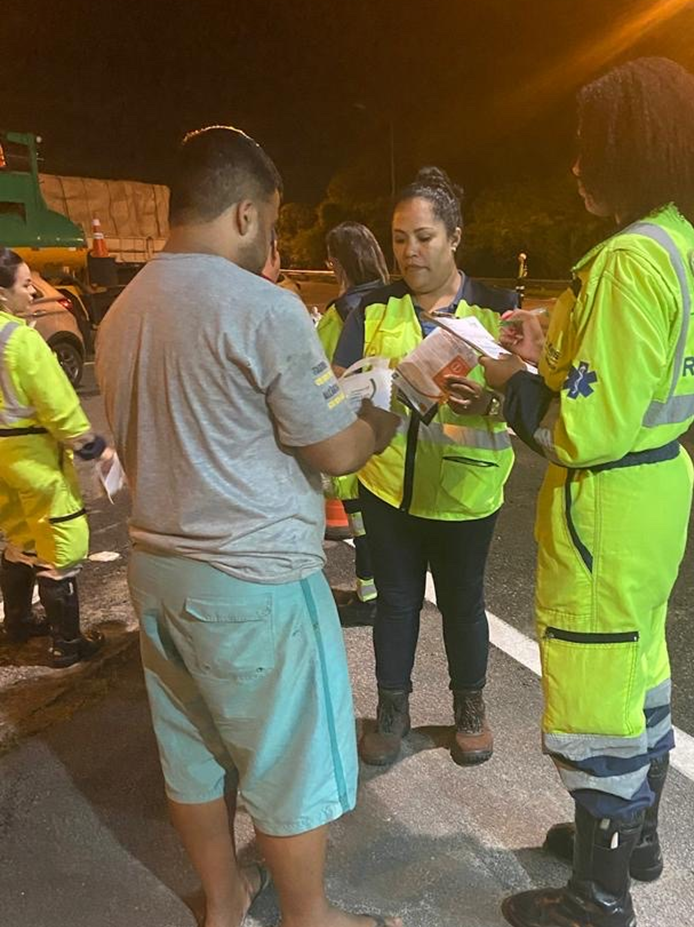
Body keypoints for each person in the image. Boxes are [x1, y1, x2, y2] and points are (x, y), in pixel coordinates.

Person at [96, 126, 401, 927]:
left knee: (191, 753)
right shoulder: (261, 308)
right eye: (269, 220)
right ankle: (311, 918)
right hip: (253, 578)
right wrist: (384, 410)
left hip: (158, 568)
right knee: (287, 758)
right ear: (242, 212)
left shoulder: (121, 310)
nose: (270, 237)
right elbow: (335, 451)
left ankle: (224, 902)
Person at [481, 58, 694, 927]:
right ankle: (636, 837)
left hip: (607, 502)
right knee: (639, 663)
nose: (577, 165)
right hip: (656, 494)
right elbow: (633, 368)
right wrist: (552, 338)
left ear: (631, 148)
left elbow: (587, 426)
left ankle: (598, 891)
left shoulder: (625, 258)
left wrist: (509, 373)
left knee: (594, 683)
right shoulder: (680, 242)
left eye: (589, 148)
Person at [333, 167, 517, 768]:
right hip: (389, 490)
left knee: (464, 605)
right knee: (395, 604)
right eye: (400, 238)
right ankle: (392, 711)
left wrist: (488, 400)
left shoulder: (498, 311)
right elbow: (337, 389)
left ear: (455, 236)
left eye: (425, 237)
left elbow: (528, 403)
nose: (410, 251)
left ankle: (470, 709)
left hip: (467, 494)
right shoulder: (371, 308)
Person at [0, 248, 106, 668]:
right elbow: (58, 406)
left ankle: (19, 623)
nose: (32, 292)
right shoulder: (21, 340)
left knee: (18, 537)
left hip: (3, 462)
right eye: (26, 284)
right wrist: (94, 449)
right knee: (60, 544)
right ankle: (67, 644)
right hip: (35, 459)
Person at [318, 221, 390, 627]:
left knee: (362, 524)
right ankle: (372, 592)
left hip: (351, 433)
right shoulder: (390, 303)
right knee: (375, 523)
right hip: (386, 428)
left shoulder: (340, 313)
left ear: (336, 262)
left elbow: (320, 373)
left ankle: (370, 599)